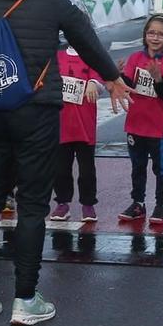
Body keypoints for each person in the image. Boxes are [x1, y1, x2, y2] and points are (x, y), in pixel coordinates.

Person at [0, 0, 129, 326]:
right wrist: (112, 76)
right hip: (36, 111)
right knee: (33, 204)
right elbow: (87, 40)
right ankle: (25, 298)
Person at [119, 15, 163, 230]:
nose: (155, 37)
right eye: (151, 33)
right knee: (138, 166)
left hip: (157, 127)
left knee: (161, 169)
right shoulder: (135, 58)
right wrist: (117, 75)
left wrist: (158, 78)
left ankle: (162, 204)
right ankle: (138, 203)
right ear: (145, 35)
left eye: (161, 34)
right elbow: (126, 84)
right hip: (135, 124)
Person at [49, 45, 102, 226]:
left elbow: (100, 78)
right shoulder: (57, 55)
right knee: (60, 168)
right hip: (61, 124)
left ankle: (88, 203)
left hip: (85, 126)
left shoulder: (91, 55)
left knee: (87, 169)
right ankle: (62, 203)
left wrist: (94, 83)